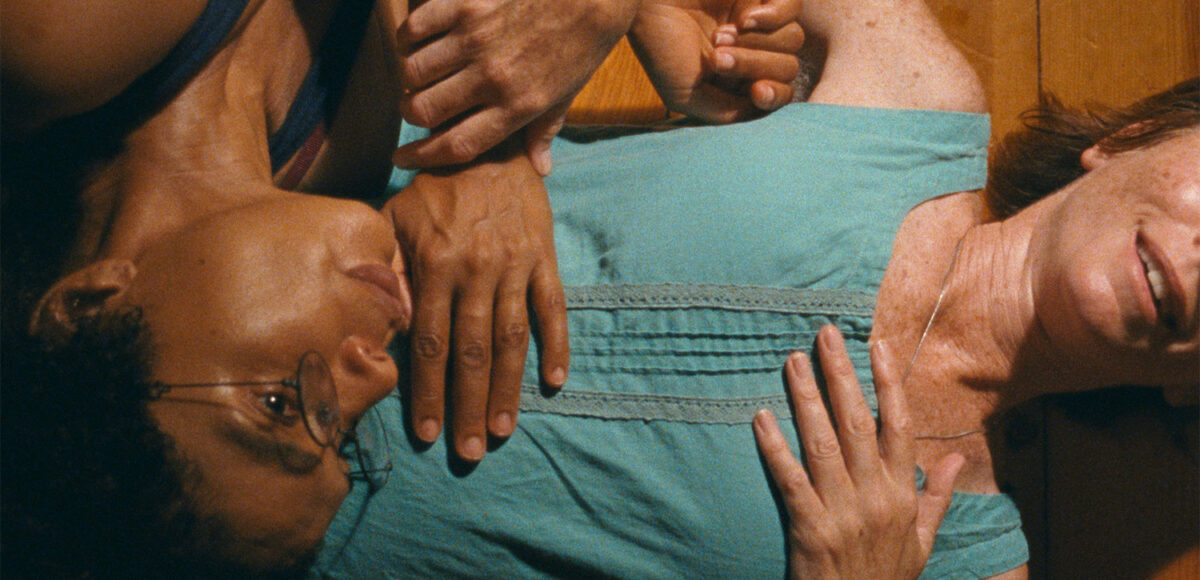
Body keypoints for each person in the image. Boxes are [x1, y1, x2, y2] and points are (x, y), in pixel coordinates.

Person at [311, 2, 1198, 579]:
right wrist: (615, 10)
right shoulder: (914, 88)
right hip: (281, 188)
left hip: (230, 533)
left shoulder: (968, 559)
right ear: (1133, 137)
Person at [1, 0, 804, 577]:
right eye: (342, 436)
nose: (377, 376)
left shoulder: (49, 40)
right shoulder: (341, 155)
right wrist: (488, 136)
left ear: (90, 304)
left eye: (282, 406)